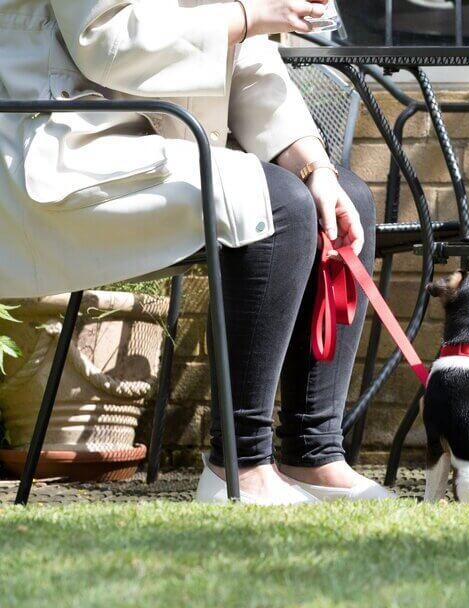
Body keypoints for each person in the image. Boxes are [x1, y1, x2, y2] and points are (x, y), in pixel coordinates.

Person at [0, 0, 393, 504]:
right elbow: (107, 40)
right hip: (66, 146)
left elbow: (249, 66)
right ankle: (239, 465)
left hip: (157, 143)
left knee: (342, 198)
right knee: (279, 206)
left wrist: (314, 166)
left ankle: (313, 453)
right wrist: (251, 15)